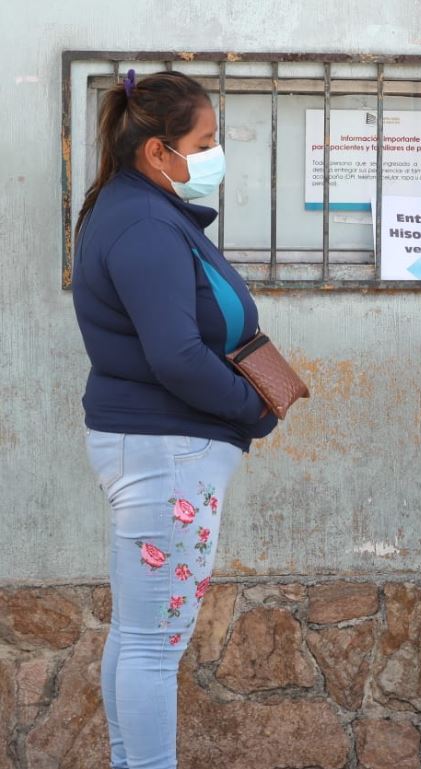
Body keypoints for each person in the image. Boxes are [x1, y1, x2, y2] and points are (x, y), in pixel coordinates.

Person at [72, 70, 278, 769]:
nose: (216, 154)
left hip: (159, 447)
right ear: (159, 151)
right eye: (206, 141)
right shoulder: (142, 224)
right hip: (164, 452)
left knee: (138, 636)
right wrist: (254, 407)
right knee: (154, 644)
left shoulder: (137, 210)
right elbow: (178, 355)